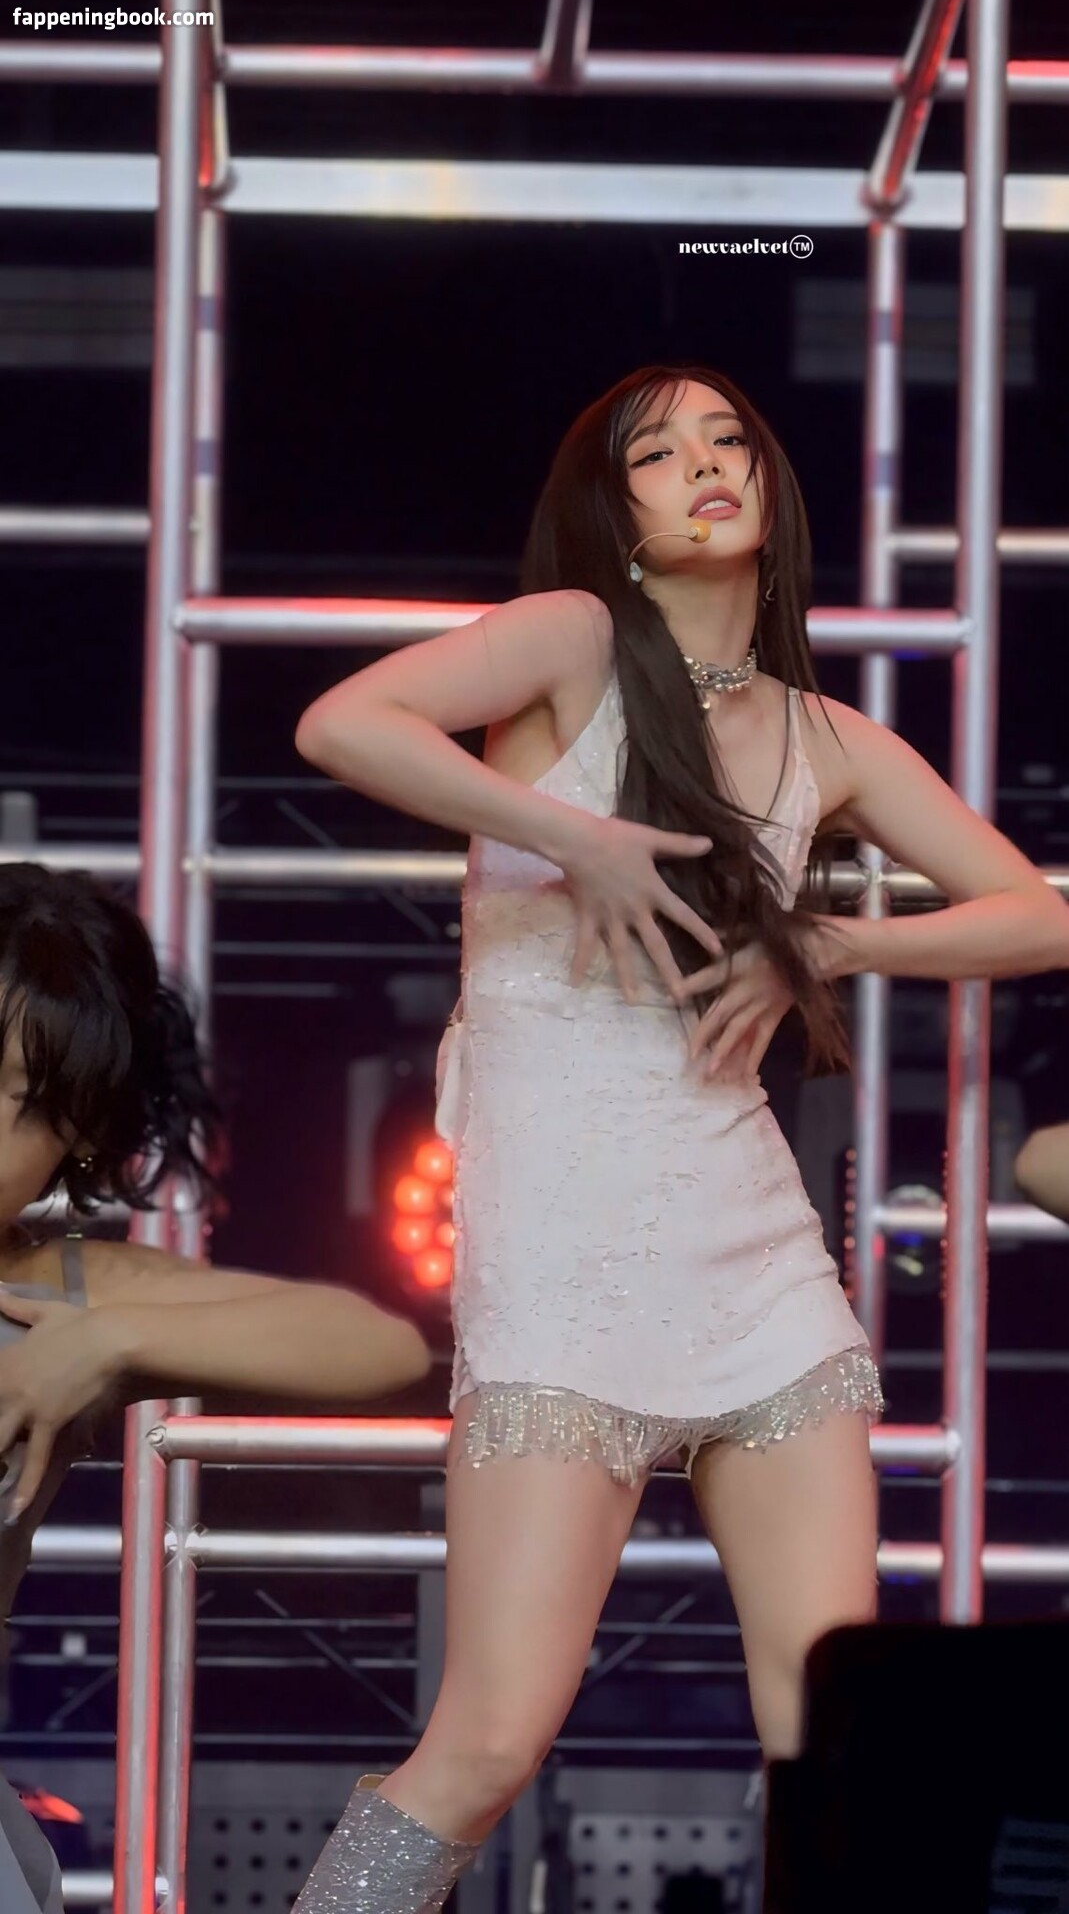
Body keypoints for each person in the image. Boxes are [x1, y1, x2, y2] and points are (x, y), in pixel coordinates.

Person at [292, 365, 1069, 1914]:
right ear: (617, 509)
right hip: (561, 1250)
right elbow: (340, 723)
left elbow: (1037, 914)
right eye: (658, 452)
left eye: (729, 440)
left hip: (753, 1250)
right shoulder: (572, 638)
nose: (704, 463)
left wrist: (829, 947)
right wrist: (568, 833)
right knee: (490, 1737)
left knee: (829, 1731)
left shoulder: (824, 736)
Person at [0, 861, 433, 1914]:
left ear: (79, 1138)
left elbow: (381, 1346)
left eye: (19, 1099)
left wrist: (108, 1343)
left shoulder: (64, 1293)